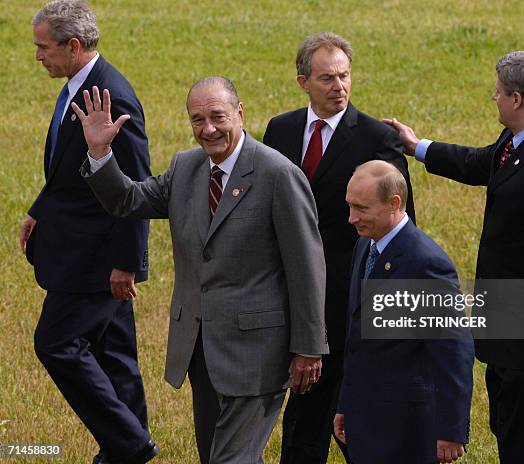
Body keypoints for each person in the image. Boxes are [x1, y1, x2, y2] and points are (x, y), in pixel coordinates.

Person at [71, 77, 328, 464]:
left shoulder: (278, 175)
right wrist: (99, 151)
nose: (208, 129)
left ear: (240, 114)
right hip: (201, 348)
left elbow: (307, 266)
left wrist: (309, 347)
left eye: (217, 117)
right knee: (216, 456)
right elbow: (127, 201)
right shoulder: (186, 167)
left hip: (257, 354)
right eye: (197, 120)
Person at [385, 51, 524, 464]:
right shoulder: (523, 140)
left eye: (497, 93)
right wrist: (418, 147)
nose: (493, 97)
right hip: (513, 327)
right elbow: (483, 163)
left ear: (517, 99)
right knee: (518, 428)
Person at [263, 32, 415, 464]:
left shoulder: (376, 139)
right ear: (302, 81)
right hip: (288, 296)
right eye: (327, 78)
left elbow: (402, 232)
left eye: (344, 76)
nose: (339, 87)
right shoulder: (281, 130)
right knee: (303, 427)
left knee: (347, 423)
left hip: (346, 305)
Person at [19, 1, 155, 463]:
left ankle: (131, 444)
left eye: (44, 47)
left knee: (56, 344)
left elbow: (136, 186)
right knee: (114, 354)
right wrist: (40, 209)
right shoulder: (79, 87)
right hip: (83, 250)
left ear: (73, 46)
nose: (38, 56)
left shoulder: (109, 96)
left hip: (96, 261)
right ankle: (125, 449)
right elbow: (70, 169)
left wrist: (127, 262)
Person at [333, 160, 474, 464]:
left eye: (361, 208)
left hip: (406, 429)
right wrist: (346, 404)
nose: (351, 218)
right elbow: (358, 339)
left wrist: (451, 429)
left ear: (394, 204)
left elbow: (453, 351)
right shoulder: (365, 246)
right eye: (349, 206)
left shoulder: (425, 263)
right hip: (366, 418)